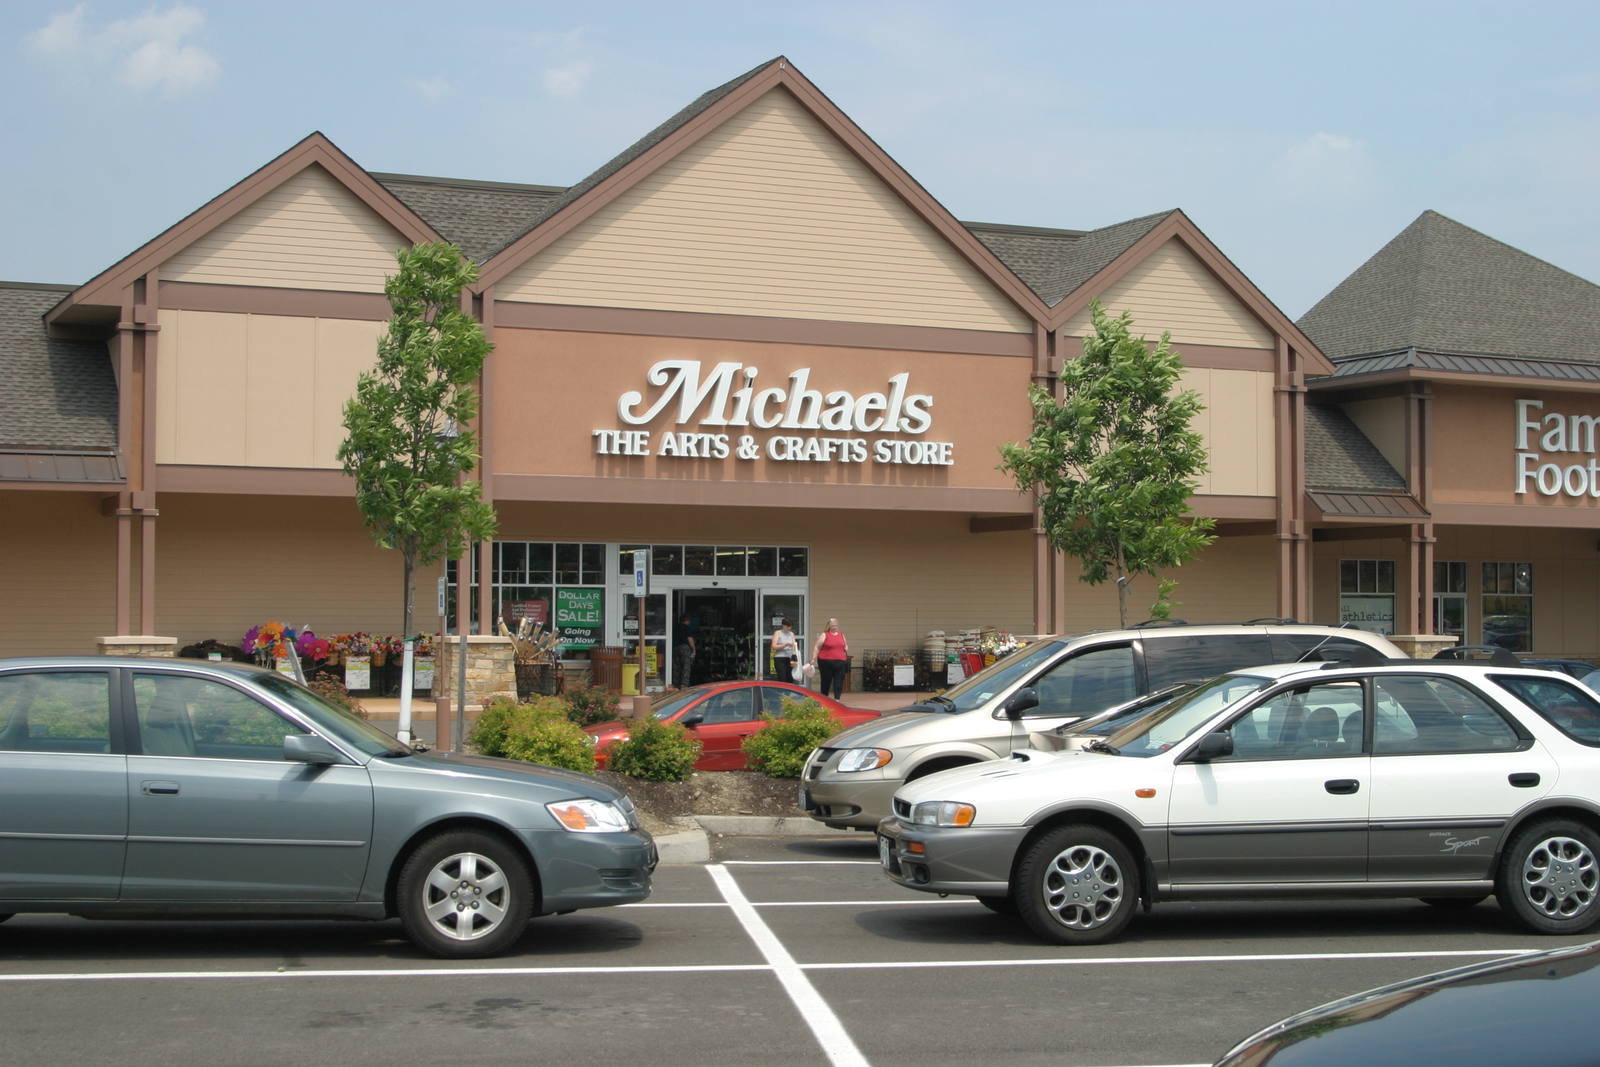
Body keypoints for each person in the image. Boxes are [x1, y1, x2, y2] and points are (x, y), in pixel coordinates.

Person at [813, 617, 849, 699]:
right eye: (833, 625)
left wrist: (846, 647)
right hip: (826, 662)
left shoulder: (841, 634)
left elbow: (845, 644)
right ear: (829, 626)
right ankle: (824, 699)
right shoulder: (825, 635)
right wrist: (814, 658)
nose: (835, 627)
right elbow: (817, 647)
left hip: (840, 662)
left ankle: (837, 700)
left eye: (836, 625)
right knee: (826, 681)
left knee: (839, 682)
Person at [673, 613, 698, 689]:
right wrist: (693, 650)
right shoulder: (687, 628)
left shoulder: (675, 627)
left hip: (675, 648)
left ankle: (675, 684)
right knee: (686, 667)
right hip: (684, 648)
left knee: (676, 667)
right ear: (687, 620)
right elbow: (690, 639)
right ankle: (684, 685)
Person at [770, 617, 798, 683]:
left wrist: (793, 646)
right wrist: (784, 645)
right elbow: (773, 646)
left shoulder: (791, 634)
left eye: (790, 627)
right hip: (779, 658)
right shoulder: (778, 633)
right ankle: (781, 692)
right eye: (788, 626)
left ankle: (788, 692)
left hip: (789, 658)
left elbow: (794, 644)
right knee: (782, 678)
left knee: (790, 678)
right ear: (784, 625)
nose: (789, 628)